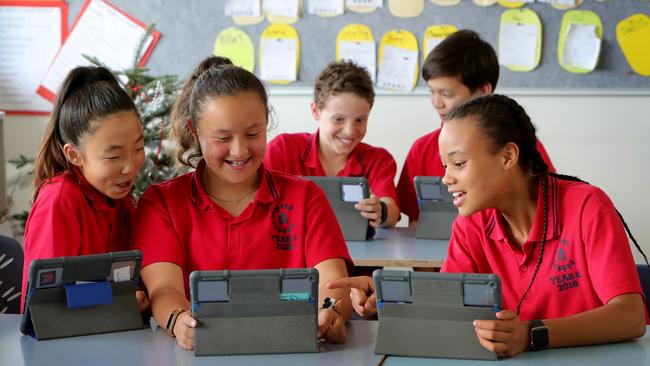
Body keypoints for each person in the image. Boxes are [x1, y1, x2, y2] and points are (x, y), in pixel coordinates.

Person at [329, 94, 647, 358]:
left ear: (508, 156)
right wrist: (385, 300)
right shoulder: (471, 223)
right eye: (445, 165)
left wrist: (531, 334)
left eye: (459, 163)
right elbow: (447, 310)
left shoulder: (586, 207)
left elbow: (630, 317)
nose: (446, 178)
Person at [131, 56, 353, 350]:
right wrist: (178, 321)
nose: (239, 150)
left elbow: (333, 285)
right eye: (223, 137)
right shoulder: (162, 203)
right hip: (203, 351)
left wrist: (331, 313)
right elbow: (164, 288)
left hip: (289, 350)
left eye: (253, 134)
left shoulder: (305, 197)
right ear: (195, 131)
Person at [397, 29, 555, 227]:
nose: (436, 102)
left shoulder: (521, 146)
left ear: (483, 91)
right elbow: (415, 222)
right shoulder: (422, 149)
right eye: (432, 92)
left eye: (446, 93)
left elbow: (546, 209)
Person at [21, 66, 146, 313]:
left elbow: (131, 279)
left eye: (139, 148)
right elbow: (44, 301)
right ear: (74, 155)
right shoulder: (59, 200)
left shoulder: (120, 199)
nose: (130, 166)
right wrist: (116, 299)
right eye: (113, 156)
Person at [264, 60, 399, 228]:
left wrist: (381, 210)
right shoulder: (283, 149)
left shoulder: (378, 160)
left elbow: (392, 211)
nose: (350, 131)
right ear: (316, 111)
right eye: (339, 119)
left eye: (360, 120)